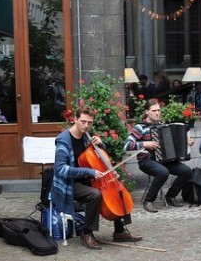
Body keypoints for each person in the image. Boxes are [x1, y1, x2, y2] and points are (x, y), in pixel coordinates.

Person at [51, 105, 142, 250]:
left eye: (90, 123)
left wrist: (101, 144)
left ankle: (119, 231)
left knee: (117, 188)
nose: (86, 126)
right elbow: (60, 169)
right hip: (69, 182)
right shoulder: (63, 141)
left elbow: (98, 159)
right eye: (83, 121)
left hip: (87, 178)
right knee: (94, 194)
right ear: (75, 119)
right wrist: (90, 171)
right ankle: (86, 233)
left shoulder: (87, 136)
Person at [124, 99, 195, 213]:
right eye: (154, 111)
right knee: (163, 172)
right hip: (146, 160)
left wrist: (187, 141)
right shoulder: (140, 127)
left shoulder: (163, 125)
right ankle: (148, 200)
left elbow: (173, 142)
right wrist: (145, 143)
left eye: (158, 110)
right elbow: (127, 145)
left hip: (163, 160)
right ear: (147, 112)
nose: (157, 113)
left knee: (186, 171)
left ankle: (170, 196)